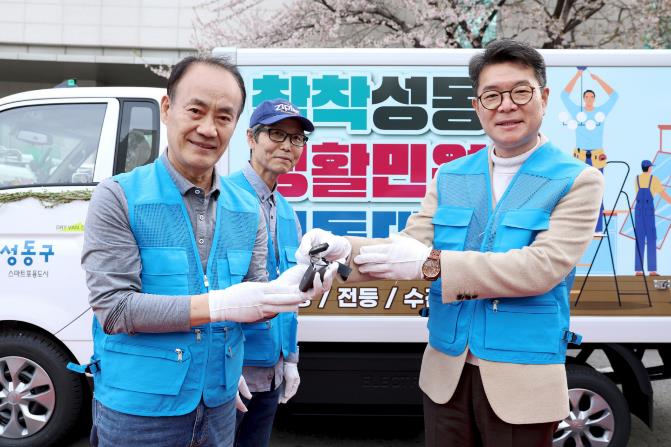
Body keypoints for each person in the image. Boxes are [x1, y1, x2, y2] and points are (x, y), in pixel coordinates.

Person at [298, 40, 604, 447]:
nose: (506, 105)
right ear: (477, 106)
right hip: (446, 375)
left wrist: (432, 264)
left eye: (520, 92)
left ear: (544, 98)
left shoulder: (577, 179)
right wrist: (343, 250)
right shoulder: (451, 175)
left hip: (522, 378)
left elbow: (541, 268)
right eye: (492, 95)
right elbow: (411, 244)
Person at [74, 56, 324, 447]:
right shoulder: (119, 196)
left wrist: (294, 289)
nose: (208, 128)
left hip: (220, 405)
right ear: (167, 109)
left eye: (224, 117)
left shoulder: (247, 208)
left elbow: (255, 297)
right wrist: (218, 306)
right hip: (139, 411)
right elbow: (115, 309)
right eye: (196, 110)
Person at [229, 99, 313, 446]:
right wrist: (220, 364)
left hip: (270, 370)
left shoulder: (287, 211)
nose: (287, 146)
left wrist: (290, 359)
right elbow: (207, 287)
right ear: (251, 138)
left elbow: (291, 293)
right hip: (231, 370)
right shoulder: (224, 199)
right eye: (276, 134)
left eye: (296, 139)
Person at [561, 68, 617, 232]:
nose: (589, 99)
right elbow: (564, 95)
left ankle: (598, 228)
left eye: (592, 96)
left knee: (597, 190)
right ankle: (578, 228)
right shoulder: (577, 112)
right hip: (579, 156)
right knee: (577, 191)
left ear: (595, 98)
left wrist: (598, 79)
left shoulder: (601, 112)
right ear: (583, 98)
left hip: (597, 156)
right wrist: (577, 76)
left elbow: (614, 96)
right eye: (586, 96)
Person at [634, 159, 671, 276]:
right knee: (651, 238)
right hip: (648, 211)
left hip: (638, 210)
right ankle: (652, 270)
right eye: (651, 167)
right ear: (649, 168)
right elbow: (663, 194)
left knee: (639, 238)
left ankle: (638, 270)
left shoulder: (636, 179)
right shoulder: (654, 179)